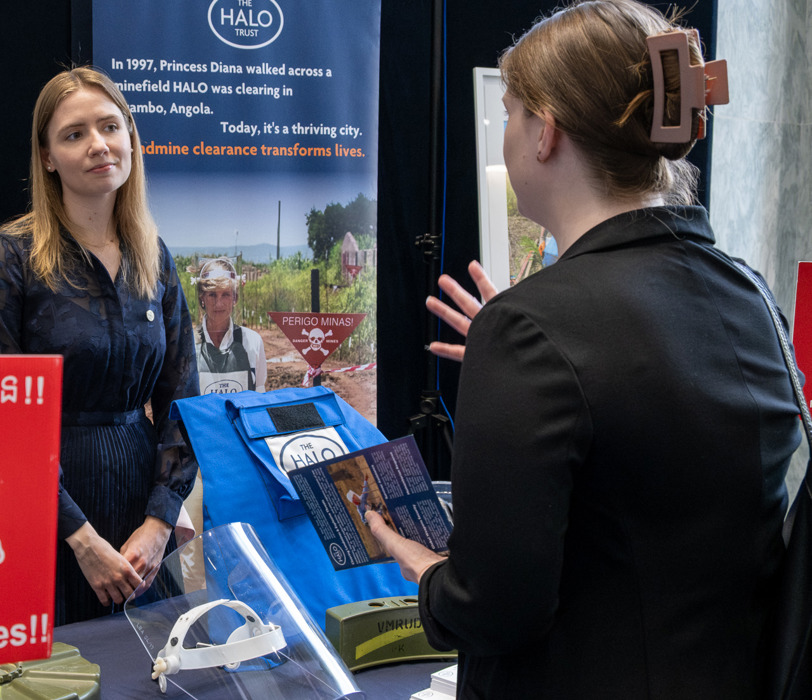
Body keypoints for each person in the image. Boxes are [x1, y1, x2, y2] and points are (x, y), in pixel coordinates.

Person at [365, 2, 803, 697]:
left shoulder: (535, 330)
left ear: (545, 132)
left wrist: (424, 570)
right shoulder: (749, 294)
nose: (504, 133)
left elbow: (494, 608)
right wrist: (526, 357)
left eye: (509, 112)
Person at [0, 66, 199, 625]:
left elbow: (184, 404)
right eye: (74, 134)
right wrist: (78, 537)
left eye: (110, 127)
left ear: (130, 139)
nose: (99, 145)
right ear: (47, 157)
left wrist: (159, 522)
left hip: (140, 518)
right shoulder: (10, 256)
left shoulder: (155, 256)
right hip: (44, 513)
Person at [192, 257, 268, 394]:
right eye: (212, 295)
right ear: (202, 298)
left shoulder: (252, 342)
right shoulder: (189, 344)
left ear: (235, 298)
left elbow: (259, 394)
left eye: (225, 294)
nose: (219, 303)